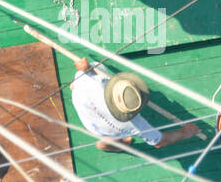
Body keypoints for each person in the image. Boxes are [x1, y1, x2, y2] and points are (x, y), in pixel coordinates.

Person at [70, 58, 199, 151]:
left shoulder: (90, 83)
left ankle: (106, 143)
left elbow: (74, 84)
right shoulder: (136, 124)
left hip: (89, 120)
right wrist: (184, 134)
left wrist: (85, 69)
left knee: (95, 68)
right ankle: (111, 142)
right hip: (112, 131)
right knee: (114, 134)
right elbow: (159, 141)